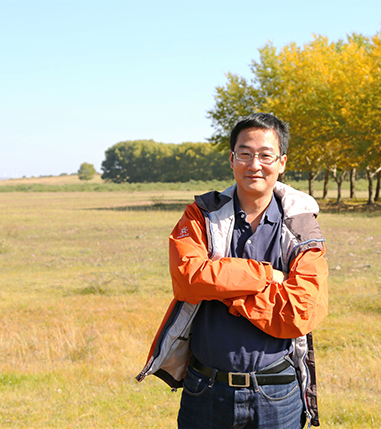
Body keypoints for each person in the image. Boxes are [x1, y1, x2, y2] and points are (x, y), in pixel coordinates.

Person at [136, 112, 329, 428]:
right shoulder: (201, 215)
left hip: (277, 392)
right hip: (205, 389)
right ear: (231, 159)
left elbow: (302, 311)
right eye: (245, 154)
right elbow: (188, 279)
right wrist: (266, 276)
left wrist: (223, 291)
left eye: (265, 155)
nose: (254, 164)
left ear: (281, 162)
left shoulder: (301, 226)